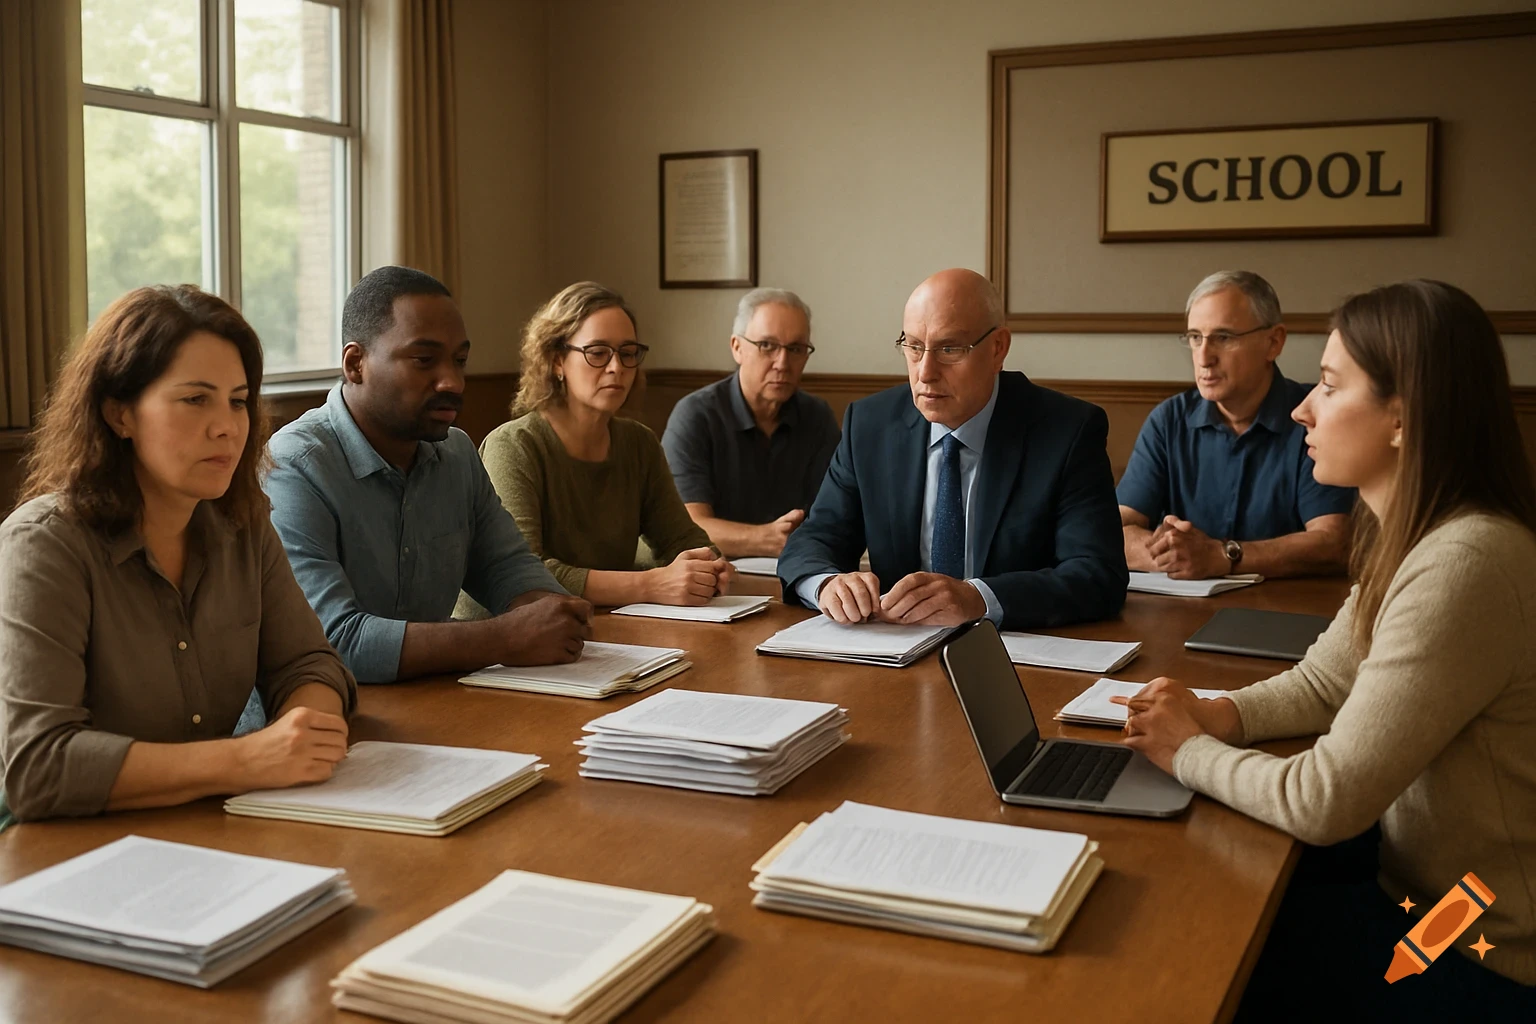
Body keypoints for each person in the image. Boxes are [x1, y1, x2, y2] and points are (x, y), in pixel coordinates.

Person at [1117, 281, 1536, 1019]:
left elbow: (1325, 801)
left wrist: (1187, 751)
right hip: (1416, 891)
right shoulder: (1413, 535)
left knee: (1178, 954)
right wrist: (1213, 713)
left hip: (1479, 948)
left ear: (1403, 418)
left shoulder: (1466, 562)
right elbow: (1320, 685)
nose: (1304, 406)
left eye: (1331, 386)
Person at [0, 285, 357, 823]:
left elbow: (307, 663)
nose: (228, 426)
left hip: (202, 824)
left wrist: (305, 731)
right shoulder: (43, 544)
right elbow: (39, 766)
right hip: (56, 850)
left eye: (238, 401)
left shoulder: (244, 526)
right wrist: (245, 759)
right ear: (120, 414)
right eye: (196, 399)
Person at [266, 266, 591, 684]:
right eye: (424, 360)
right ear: (355, 363)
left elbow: (506, 568)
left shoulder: (456, 453)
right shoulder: (292, 466)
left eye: (460, 361)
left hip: (432, 707)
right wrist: (504, 638)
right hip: (315, 726)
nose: (452, 381)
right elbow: (332, 641)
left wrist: (553, 613)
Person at [778, 268, 1127, 629]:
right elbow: (815, 539)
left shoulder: (1067, 431)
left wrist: (978, 598)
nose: (925, 372)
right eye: (913, 346)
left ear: (997, 349)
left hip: (1017, 657)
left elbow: (1098, 574)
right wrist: (828, 584)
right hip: (894, 652)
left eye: (949, 349)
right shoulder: (870, 425)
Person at [471, 282, 732, 608]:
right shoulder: (514, 446)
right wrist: (650, 585)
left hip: (599, 631)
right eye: (597, 353)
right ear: (556, 361)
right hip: (499, 640)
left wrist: (710, 565)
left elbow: (680, 538)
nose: (616, 368)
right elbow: (523, 574)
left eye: (627, 353)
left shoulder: (639, 443)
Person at [1118, 270, 1354, 579]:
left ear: (1273, 342)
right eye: (1195, 337)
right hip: (1182, 610)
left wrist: (1224, 556)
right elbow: (1110, 531)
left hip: (1291, 610)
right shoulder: (1169, 421)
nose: (1204, 358)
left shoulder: (1312, 417)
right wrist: (1179, 557)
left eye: (1223, 337)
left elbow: (1333, 542)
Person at [661, 288, 840, 557]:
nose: (782, 362)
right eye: (767, 345)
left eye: (796, 349)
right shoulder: (695, 415)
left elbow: (833, 516)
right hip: (715, 573)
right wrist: (765, 538)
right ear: (737, 347)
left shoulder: (817, 417)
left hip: (796, 569)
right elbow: (687, 527)